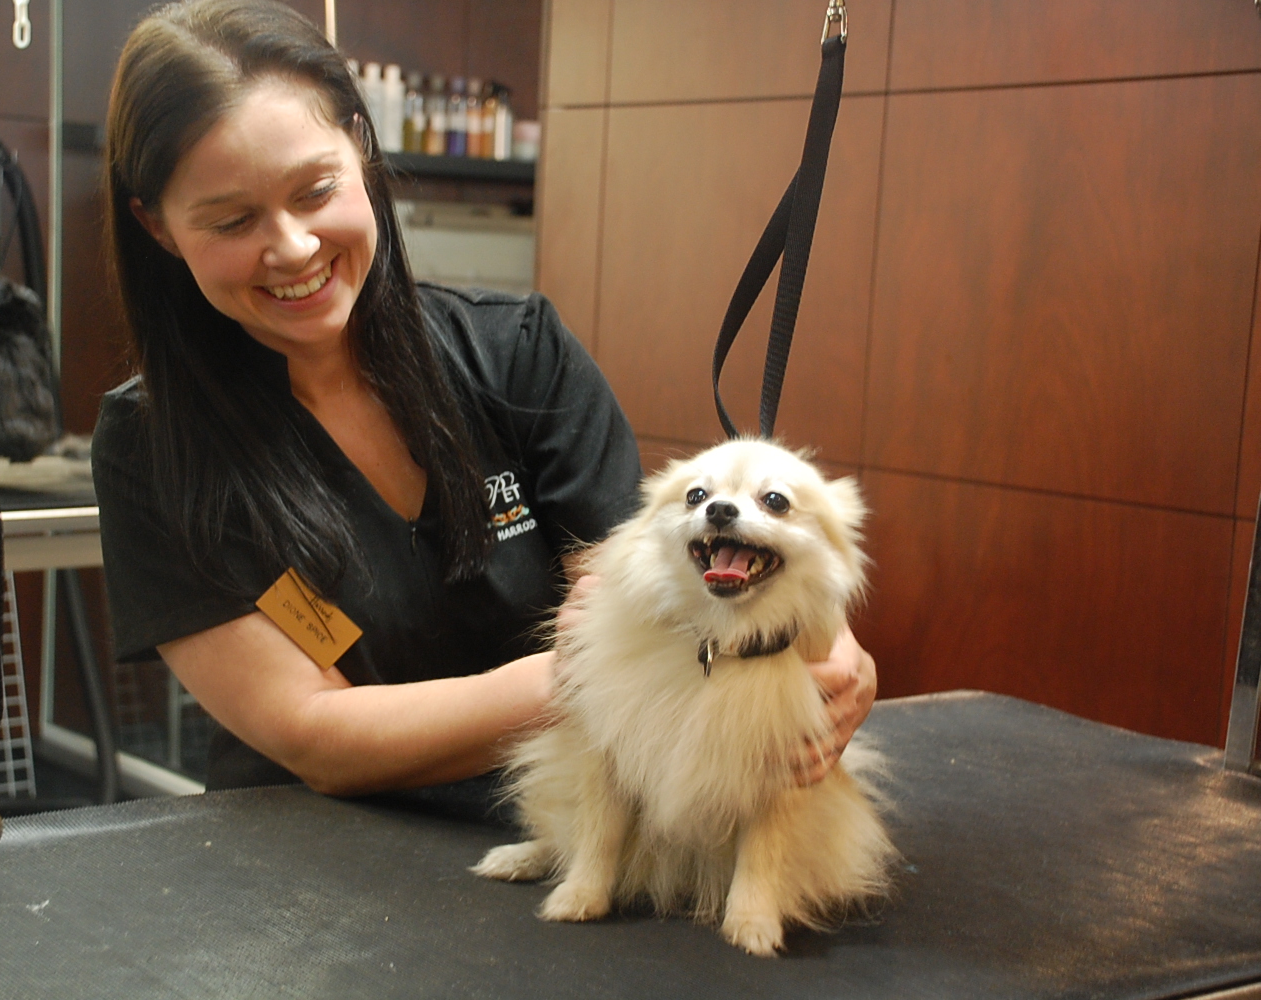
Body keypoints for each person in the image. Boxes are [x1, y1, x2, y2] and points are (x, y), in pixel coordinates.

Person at [92, 0, 876, 801]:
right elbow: (313, 734)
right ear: (157, 227)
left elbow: (662, 584)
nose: (292, 246)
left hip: (568, 829)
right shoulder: (152, 445)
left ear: (362, 150)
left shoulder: (517, 352)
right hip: (307, 875)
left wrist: (816, 635)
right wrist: (621, 669)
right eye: (231, 220)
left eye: (316, 189)